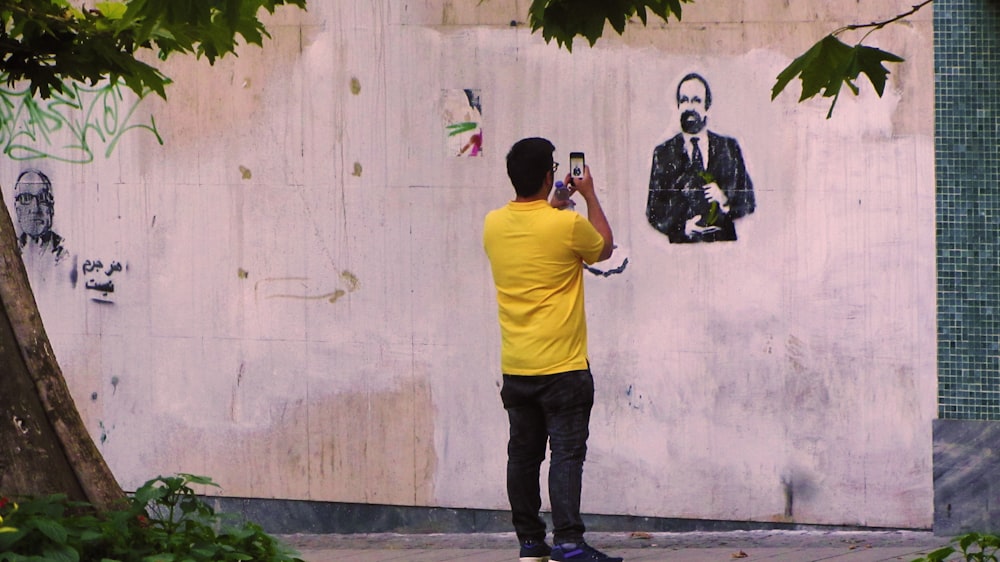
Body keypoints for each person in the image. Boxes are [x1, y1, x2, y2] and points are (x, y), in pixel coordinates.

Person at [483, 137, 622, 562]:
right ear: (549, 175)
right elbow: (603, 246)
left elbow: (534, 236)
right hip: (562, 367)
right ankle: (568, 541)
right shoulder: (565, 226)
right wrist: (588, 194)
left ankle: (530, 543)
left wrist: (554, 203)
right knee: (566, 454)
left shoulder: (493, 224)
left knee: (523, 455)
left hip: (517, 366)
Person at [646, 72, 755, 243]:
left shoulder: (729, 148)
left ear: (707, 108)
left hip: (725, 249)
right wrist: (682, 228)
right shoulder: (663, 153)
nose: (689, 107)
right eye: (684, 100)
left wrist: (724, 200)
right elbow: (654, 211)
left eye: (696, 101)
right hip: (679, 253)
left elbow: (748, 201)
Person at [13, 169, 69, 263]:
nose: (35, 209)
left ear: (51, 207)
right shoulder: (11, 249)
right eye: (26, 198)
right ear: (17, 210)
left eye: (42, 198)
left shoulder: (65, 251)